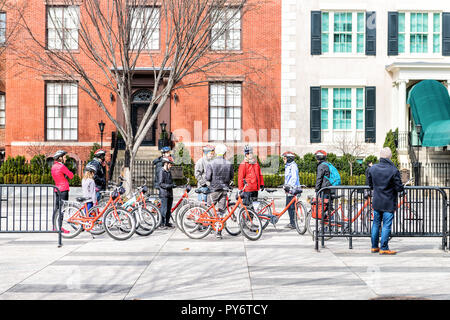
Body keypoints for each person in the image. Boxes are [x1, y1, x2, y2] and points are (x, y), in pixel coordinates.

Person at [367, 147, 404, 255]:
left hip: (377, 201)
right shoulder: (393, 170)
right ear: (390, 157)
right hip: (389, 201)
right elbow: (399, 187)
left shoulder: (372, 168)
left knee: (375, 224)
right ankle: (384, 247)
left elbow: (370, 185)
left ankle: (374, 247)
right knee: (386, 225)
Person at [205, 143, 234, 238]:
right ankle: (219, 231)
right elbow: (231, 176)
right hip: (224, 189)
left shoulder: (211, 163)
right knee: (221, 211)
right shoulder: (229, 164)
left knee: (210, 208)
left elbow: (208, 177)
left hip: (214, 189)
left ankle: (211, 227)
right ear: (224, 153)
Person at [51, 150, 74, 232]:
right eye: (64, 157)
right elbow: (71, 175)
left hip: (56, 189)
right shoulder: (62, 166)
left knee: (56, 208)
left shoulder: (53, 167)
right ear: (60, 158)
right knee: (62, 209)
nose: (65, 158)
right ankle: (60, 227)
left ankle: (54, 226)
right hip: (64, 189)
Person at [282, 151, 300, 229]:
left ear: (289, 158)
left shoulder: (293, 166)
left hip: (293, 189)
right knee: (289, 206)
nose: (283, 160)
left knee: (291, 207)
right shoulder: (288, 166)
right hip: (288, 189)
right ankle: (292, 222)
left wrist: (290, 186)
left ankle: (293, 223)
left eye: (284, 158)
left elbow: (294, 177)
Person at [158, 156, 176, 229]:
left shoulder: (169, 172)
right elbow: (161, 183)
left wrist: (173, 185)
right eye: (170, 164)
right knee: (164, 209)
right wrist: (170, 185)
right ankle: (161, 223)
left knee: (169, 209)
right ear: (165, 163)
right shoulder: (161, 171)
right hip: (164, 193)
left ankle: (167, 222)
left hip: (170, 193)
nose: (171, 166)